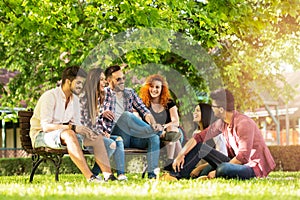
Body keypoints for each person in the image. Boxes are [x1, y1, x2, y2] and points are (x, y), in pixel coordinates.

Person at [163, 88, 276, 180]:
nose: (212, 109)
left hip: (252, 168)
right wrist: (180, 155)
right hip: (234, 163)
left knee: (223, 169)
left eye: (213, 107)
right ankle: (176, 176)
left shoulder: (243, 124)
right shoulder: (222, 123)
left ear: (221, 109)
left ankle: (216, 174)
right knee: (200, 148)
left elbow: (243, 158)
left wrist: (216, 172)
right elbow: (198, 137)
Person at [30, 66, 116, 183]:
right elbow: (46, 126)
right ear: (68, 81)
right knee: (69, 133)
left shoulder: (74, 99)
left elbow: (76, 123)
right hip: (41, 135)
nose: (81, 86)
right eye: (79, 83)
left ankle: (108, 176)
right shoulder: (50, 96)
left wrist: (88, 132)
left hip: (62, 134)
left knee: (96, 138)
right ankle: (90, 177)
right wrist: (73, 128)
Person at [102, 64, 165, 179]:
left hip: (133, 135)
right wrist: (102, 112)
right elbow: (90, 112)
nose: (122, 81)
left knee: (153, 138)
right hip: (117, 137)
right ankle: (159, 132)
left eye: (123, 78)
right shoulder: (103, 93)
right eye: (118, 79)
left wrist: (153, 123)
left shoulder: (129, 93)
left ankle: (152, 176)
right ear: (108, 80)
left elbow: (145, 112)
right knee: (126, 115)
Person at [79, 68, 127, 181]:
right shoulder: (84, 98)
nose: (104, 82)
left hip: (94, 134)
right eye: (101, 80)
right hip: (84, 136)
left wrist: (103, 132)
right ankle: (98, 173)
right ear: (94, 81)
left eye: (104, 79)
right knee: (111, 144)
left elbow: (95, 123)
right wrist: (100, 134)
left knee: (118, 140)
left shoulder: (97, 98)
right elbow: (84, 123)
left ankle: (121, 174)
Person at [139, 74, 182, 167]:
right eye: (151, 86)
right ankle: (179, 166)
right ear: (147, 88)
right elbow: (139, 122)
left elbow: (176, 122)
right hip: (154, 133)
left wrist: (163, 127)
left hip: (171, 131)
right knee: (174, 139)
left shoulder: (169, 102)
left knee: (172, 131)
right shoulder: (143, 103)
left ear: (162, 89)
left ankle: (170, 161)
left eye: (157, 87)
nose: (154, 89)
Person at [189, 103, 227, 178]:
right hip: (198, 166)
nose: (194, 113)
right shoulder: (195, 133)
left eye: (198, 111)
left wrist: (199, 168)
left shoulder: (215, 133)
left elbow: (222, 156)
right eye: (194, 110)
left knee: (202, 174)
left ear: (205, 113)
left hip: (212, 165)